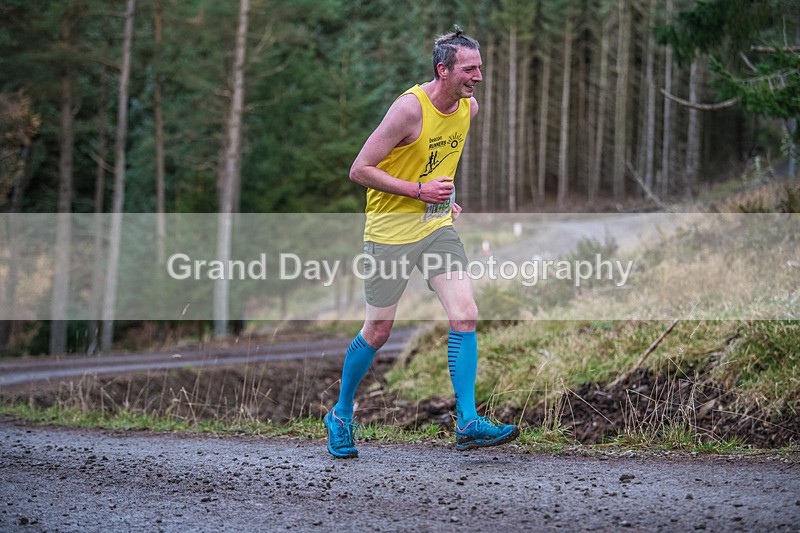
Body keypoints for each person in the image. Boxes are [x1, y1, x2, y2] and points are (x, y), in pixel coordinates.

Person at [324, 26, 519, 458]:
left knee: (466, 313)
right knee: (378, 330)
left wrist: (446, 197)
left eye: (480, 68)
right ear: (442, 69)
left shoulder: (468, 108)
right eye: (470, 69)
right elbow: (359, 169)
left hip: (434, 229)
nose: (478, 77)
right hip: (389, 233)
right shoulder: (408, 110)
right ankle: (340, 414)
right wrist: (418, 190)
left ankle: (467, 421)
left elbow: (439, 161)